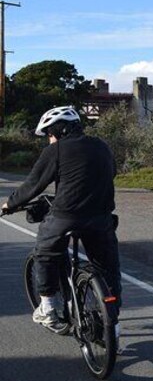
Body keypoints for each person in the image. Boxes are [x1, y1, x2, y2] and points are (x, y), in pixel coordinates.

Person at [1, 106, 122, 335]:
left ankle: (47, 308)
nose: (49, 140)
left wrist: (11, 204)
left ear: (57, 131)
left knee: (44, 253)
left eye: (48, 134)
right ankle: (113, 326)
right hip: (101, 218)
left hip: (66, 217)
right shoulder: (102, 146)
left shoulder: (56, 150)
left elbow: (33, 184)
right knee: (108, 270)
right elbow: (110, 172)